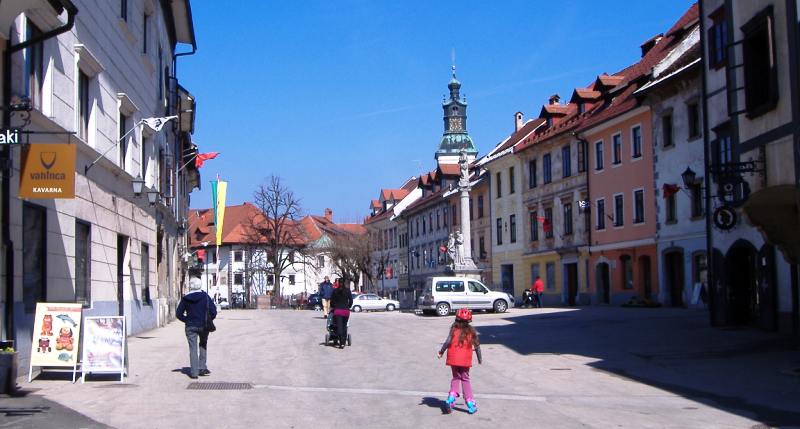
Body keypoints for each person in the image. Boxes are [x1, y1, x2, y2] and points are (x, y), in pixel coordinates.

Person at [437, 308, 482, 414]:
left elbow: (447, 342)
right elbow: (477, 346)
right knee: (465, 379)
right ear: (469, 320)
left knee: (456, 377)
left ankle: (451, 398)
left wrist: (441, 352)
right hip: (465, 360)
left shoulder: (453, 329)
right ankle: (470, 403)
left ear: (457, 319)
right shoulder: (471, 331)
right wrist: (480, 358)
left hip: (453, 359)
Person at [176, 273, 217, 379]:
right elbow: (213, 311)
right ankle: (202, 367)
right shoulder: (205, 296)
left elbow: (178, 314)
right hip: (203, 325)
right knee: (203, 344)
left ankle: (194, 372)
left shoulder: (185, 298)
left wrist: (187, 320)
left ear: (191, 286)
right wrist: (208, 319)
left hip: (190, 326)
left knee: (193, 348)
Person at [330, 277, 353, 349]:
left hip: (338, 311)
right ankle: (343, 343)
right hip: (346, 311)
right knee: (344, 326)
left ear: (338, 283)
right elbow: (351, 301)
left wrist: (334, 307)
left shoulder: (335, 291)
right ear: (345, 283)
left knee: (339, 327)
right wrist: (348, 307)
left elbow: (332, 302)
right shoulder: (348, 291)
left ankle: (340, 340)